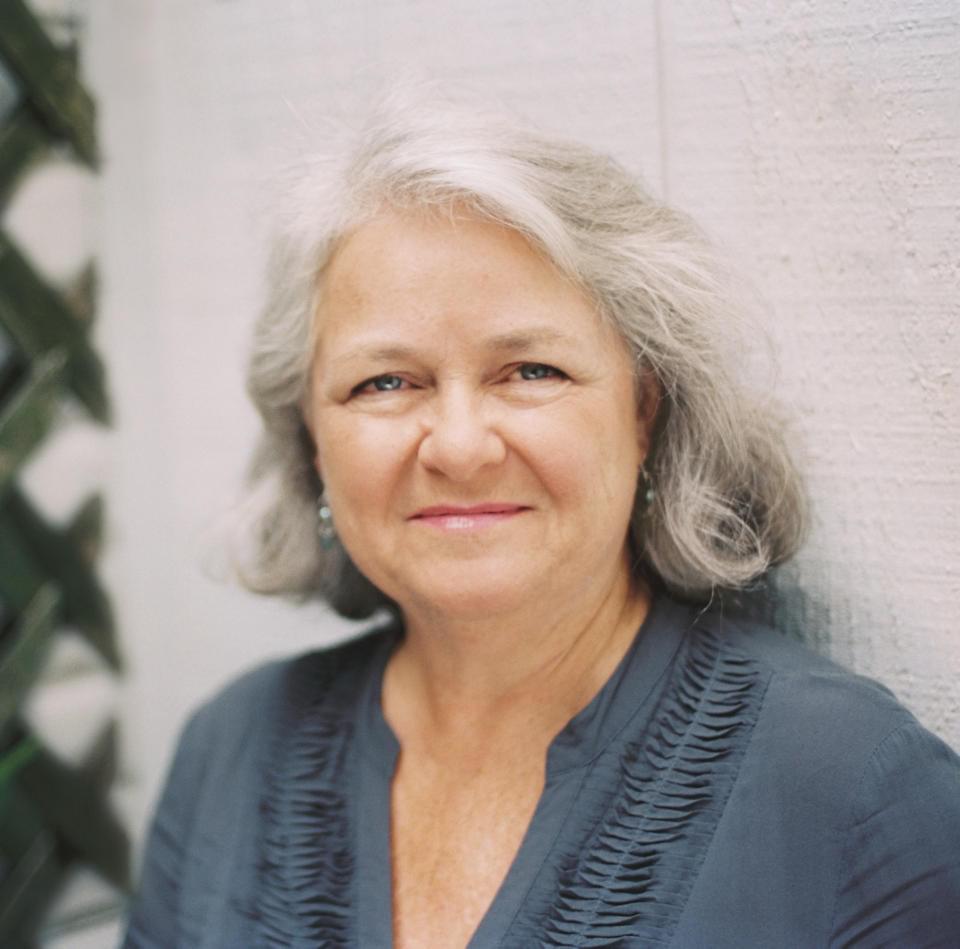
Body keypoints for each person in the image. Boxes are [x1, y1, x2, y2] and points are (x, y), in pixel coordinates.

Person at [123, 90, 960, 948]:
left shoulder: (848, 787)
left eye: (529, 370)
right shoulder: (229, 752)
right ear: (310, 440)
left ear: (644, 411)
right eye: (384, 382)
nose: (458, 445)